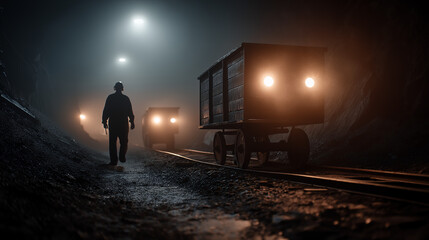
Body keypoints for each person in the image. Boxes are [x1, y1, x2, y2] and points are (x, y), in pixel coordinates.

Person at [102, 81, 135, 165]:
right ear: (122, 88)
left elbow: (106, 110)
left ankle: (114, 161)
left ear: (115, 88)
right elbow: (130, 111)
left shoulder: (110, 98)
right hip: (123, 122)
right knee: (124, 141)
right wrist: (132, 121)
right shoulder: (125, 98)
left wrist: (104, 121)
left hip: (113, 122)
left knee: (112, 142)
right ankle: (122, 156)